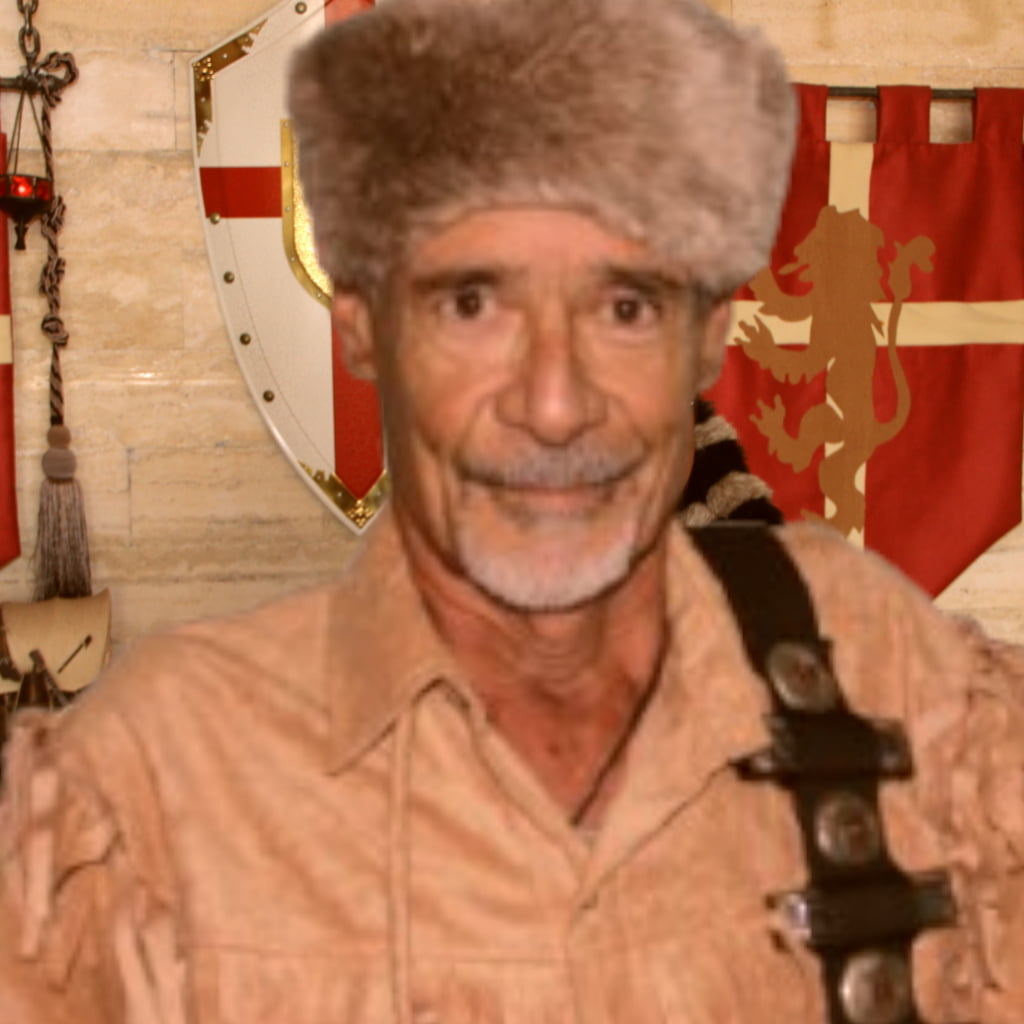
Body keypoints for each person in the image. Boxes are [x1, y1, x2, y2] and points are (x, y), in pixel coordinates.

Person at [2, 0, 1023, 1021]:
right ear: (364, 327)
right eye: (472, 304)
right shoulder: (148, 784)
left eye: (623, 307)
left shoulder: (903, 683)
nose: (554, 403)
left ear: (709, 334)